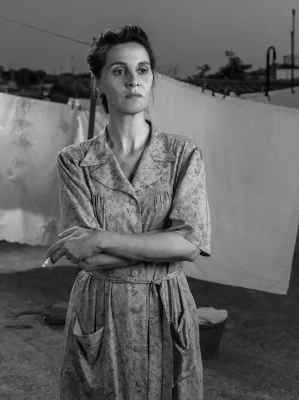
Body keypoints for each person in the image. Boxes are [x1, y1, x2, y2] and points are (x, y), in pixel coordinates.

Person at [46, 25, 211, 400]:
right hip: (100, 309)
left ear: (152, 80)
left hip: (167, 305)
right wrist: (162, 245)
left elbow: (190, 244)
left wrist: (101, 238)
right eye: (119, 70)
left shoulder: (182, 155)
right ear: (98, 84)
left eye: (143, 69)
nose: (133, 80)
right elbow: (87, 258)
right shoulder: (75, 161)